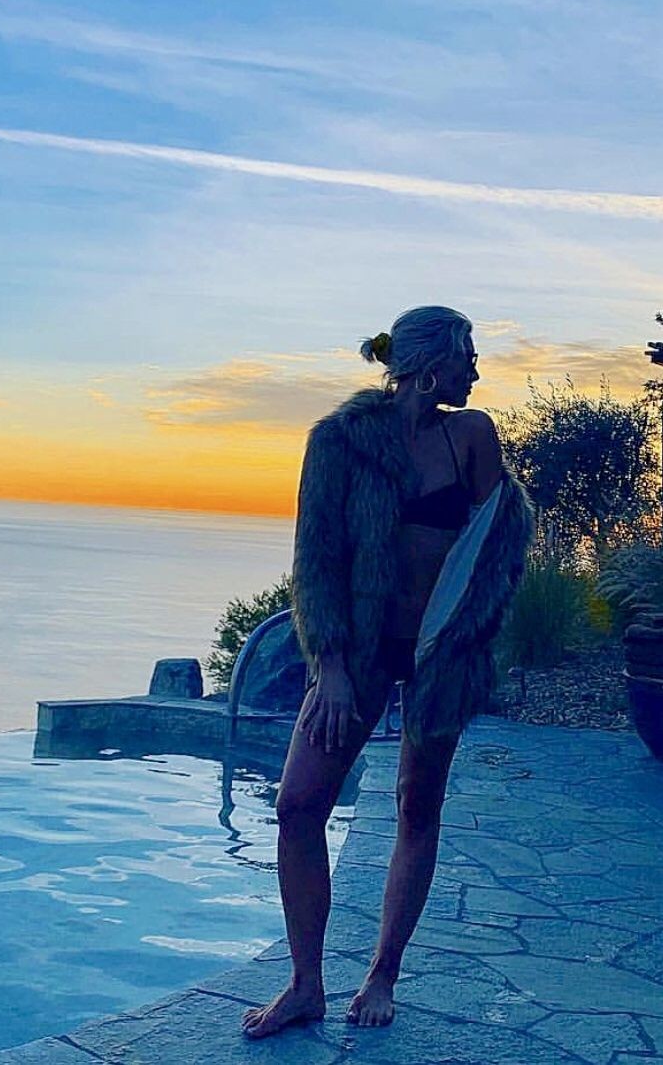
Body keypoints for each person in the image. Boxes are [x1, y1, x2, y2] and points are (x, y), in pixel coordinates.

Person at [242, 305, 534, 1038]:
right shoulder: (338, 441)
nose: (476, 370)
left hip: (440, 654)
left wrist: (468, 644)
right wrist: (330, 667)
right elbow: (315, 559)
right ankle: (305, 984)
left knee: (416, 804)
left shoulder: (471, 435)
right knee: (297, 805)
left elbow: (492, 548)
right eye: (468, 356)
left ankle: (382, 974)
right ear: (432, 366)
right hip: (360, 650)